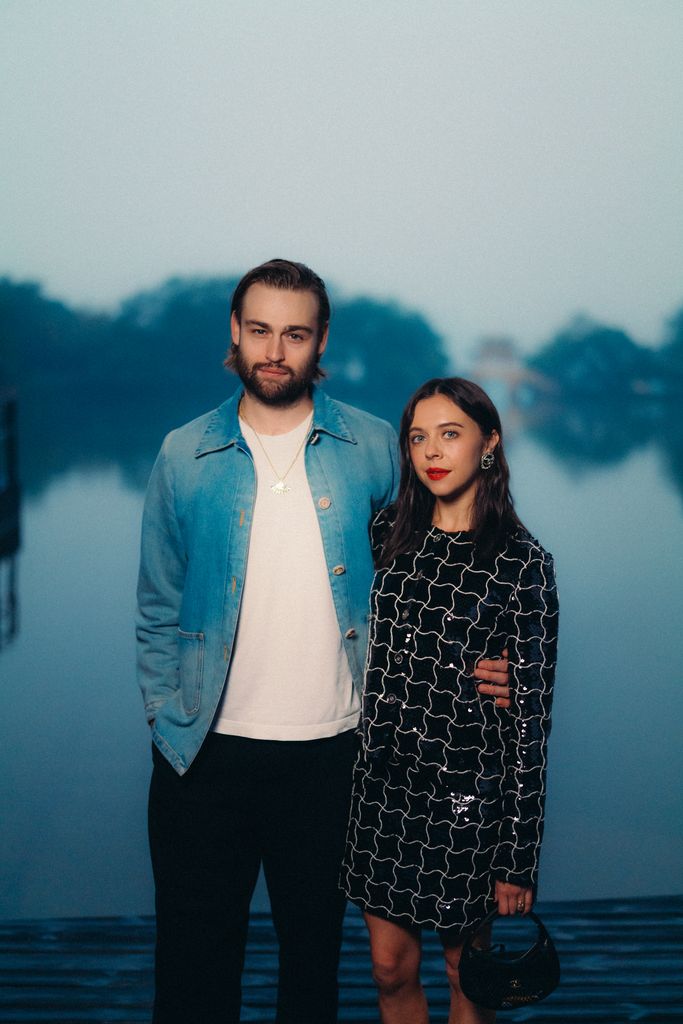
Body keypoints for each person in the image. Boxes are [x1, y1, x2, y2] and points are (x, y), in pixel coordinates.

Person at [136, 260, 511, 1024]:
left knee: (311, 971)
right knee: (193, 973)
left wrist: (492, 656)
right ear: (235, 336)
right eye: (261, 330)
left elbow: (441, 568)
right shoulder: (183, 454)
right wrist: (163, 711)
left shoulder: (374, 446)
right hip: (203, 755)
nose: (276, 350)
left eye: (295, 334)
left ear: (320, 342)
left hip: (338, 756)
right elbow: (157, 603)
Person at [340, 377, 559, 1024]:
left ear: (487, 444)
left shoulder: (522, 563)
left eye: (450, 433)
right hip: (381, 790)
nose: (431, 451)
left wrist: (517, 859)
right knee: (387, 970)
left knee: (468, 977)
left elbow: (530, 726)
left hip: (467, 801)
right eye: (417, 437)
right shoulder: (385, 537)